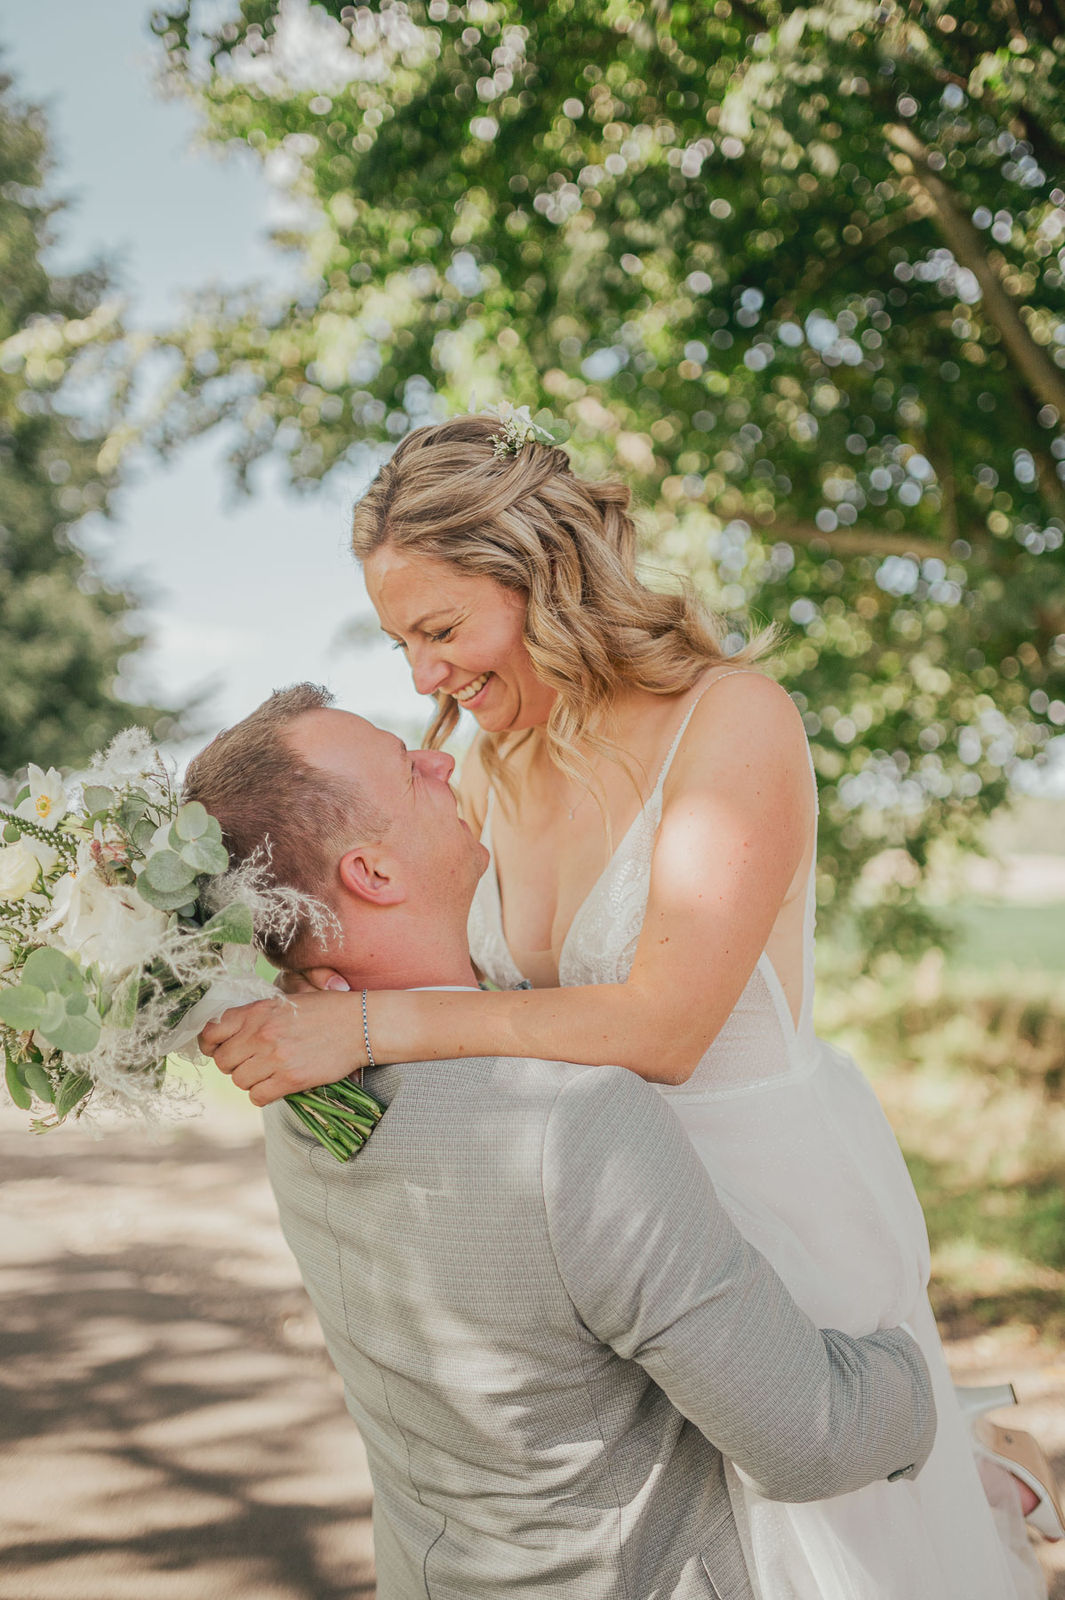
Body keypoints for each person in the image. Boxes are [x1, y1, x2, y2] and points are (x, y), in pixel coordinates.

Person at [200, 415, 1054, 1598]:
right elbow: (428, 958)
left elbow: (662, 1027)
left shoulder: (731, 720)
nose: (424, 680)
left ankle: (973, 1470)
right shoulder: (488, 765)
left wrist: (363, 1030)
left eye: (441, 630)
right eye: (403, 642)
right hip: (593, 1236)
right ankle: (974, 1466)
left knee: (829, 1533)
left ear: (540, 571)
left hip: (767, 1213)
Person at [185, 683, 938, 1600]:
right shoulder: (570, 1126)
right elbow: (809, 1440)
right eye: (406, 767)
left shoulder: (297, 1095)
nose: (439, 757)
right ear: (372, 875)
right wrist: (926, 1380)